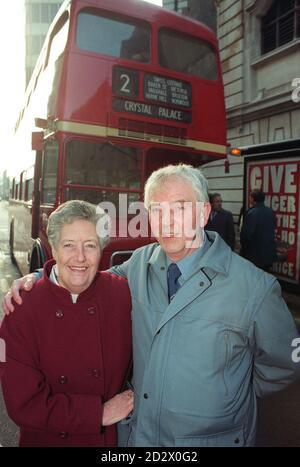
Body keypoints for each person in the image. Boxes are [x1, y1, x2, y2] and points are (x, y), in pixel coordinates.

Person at [3, 165, 299, 447]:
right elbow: (85, 275)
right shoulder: (139, 263)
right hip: (140, 436)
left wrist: (231, 390)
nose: (167, 221)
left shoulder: (254, 287)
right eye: (157, 210)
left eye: (180, 208)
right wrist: (37, 279)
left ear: (204, 213)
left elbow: (284, 363)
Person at [0, 200, 133, 447]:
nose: (80, 257)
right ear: (54, 248)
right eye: (69, 245)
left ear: (102, 249)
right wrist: (98, 413)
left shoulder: (123, 294)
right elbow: (22, 405)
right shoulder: (20, 309)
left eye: (90, 245)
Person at [240, 189, 277, 271]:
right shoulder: (270, 212)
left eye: (250, 197)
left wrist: (244, 251)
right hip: (267, 254)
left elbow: (246, 235)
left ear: (252, 199)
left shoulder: (251, 213)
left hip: (254, 255)